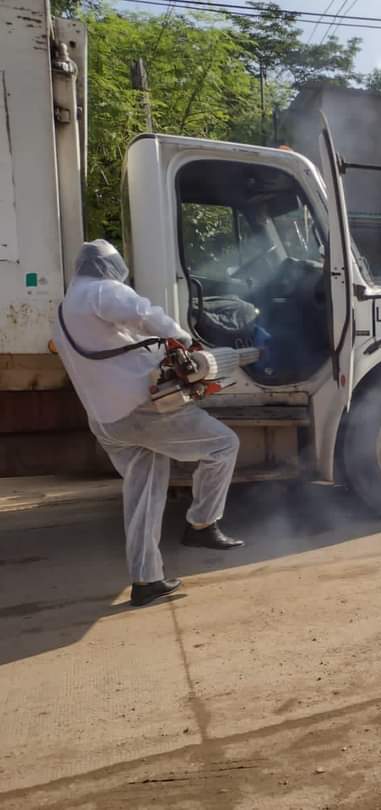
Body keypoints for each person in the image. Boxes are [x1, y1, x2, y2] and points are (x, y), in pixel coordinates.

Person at [53, 240, 244, 607]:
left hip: (106, 421)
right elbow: (142, 313)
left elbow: (118, 343)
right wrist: (183, 337)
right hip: (140, 412)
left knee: (144, 493)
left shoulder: (66, 308)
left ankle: (146, 579)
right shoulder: (102, 290)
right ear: (108, 268)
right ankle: (202, 523)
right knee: (224, 445)